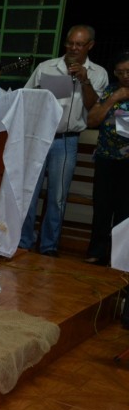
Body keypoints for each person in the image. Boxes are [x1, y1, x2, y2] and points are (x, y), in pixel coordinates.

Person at [19, 25, 108, 256]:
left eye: (79, 44)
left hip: (66, 141)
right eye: (70, 43)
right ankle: (23, 242)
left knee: (57, 197)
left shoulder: (99, 73)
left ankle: (49, 246)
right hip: (39, 137)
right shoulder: (46, 67)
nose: (73, 48)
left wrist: (85, 81)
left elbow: (93, 109)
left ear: (90, 46)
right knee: (29, 192)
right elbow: (26, 100)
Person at [84, 50, 129, 266]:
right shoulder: (111, 90)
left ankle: (119, 257)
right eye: (120, 72)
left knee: (125, 210)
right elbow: (92, 120)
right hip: (106, 158)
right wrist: (114, 99)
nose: (125, 76)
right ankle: (97, 251)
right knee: (102, 207)